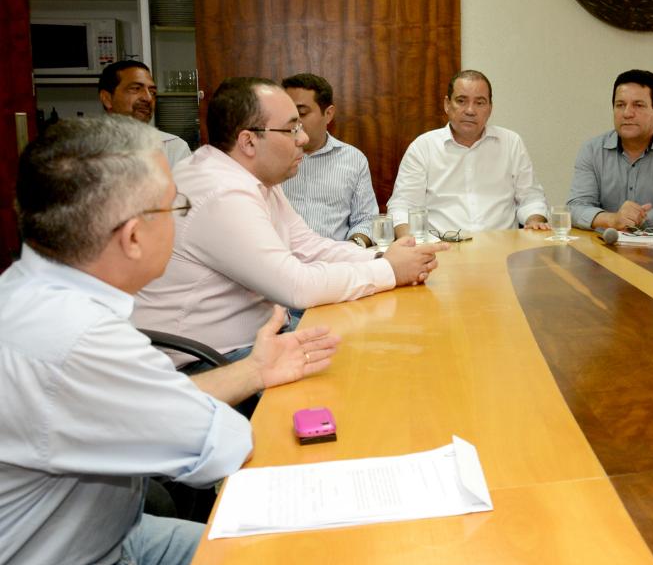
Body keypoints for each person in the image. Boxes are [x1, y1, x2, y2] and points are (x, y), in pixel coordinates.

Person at [0, 116, 339, 565]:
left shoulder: (31, 291)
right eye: (176, 207)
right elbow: (223, 449)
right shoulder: (80, 338)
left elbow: (141, 403)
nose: (181, 220)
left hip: (113, 541)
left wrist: (254, 369)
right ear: (134, 236)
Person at [132, 77, 447, 365]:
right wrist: (390, 269)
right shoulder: (220, 192)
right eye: (292, 128)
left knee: (386, 348)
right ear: (249, 141)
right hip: (210, 361)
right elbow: (296, 286)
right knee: (368, 368)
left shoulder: (254, 177)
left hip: (257, 337)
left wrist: (382, 257)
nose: (304, 138)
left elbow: (306, 246)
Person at [386, 70, 548, 236]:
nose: (470, 110)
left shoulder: (511, 143)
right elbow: (403, 206)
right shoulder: (423, 147)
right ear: (447, 104)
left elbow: (531, 198)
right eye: (461, 101)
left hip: (501, 248)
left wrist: (534, 221)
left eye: (480, 103)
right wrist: (410, 243)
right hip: (441, 251)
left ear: (490, 108)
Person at [567, 69, 653, 232]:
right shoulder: (592, 150)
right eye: (620, 105)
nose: (627, 113)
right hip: (604, 250)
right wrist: (612, 220)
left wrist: (627, 220)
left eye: (638, 105)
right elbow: (574, 209)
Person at [281, 73, 379, 247]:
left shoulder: (353, 159)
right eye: (287, 114)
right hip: (281, 260)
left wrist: (352, 248)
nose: (294, 122)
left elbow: (366, 220)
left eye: (302, 113)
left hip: (337, 261)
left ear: (328, 114)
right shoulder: (270, 157)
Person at [98, 60, 192, 165]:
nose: (148, 98)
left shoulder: (172, 148)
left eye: (152, 92)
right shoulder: (85, 148)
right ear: (107, 99)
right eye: (135, 89)